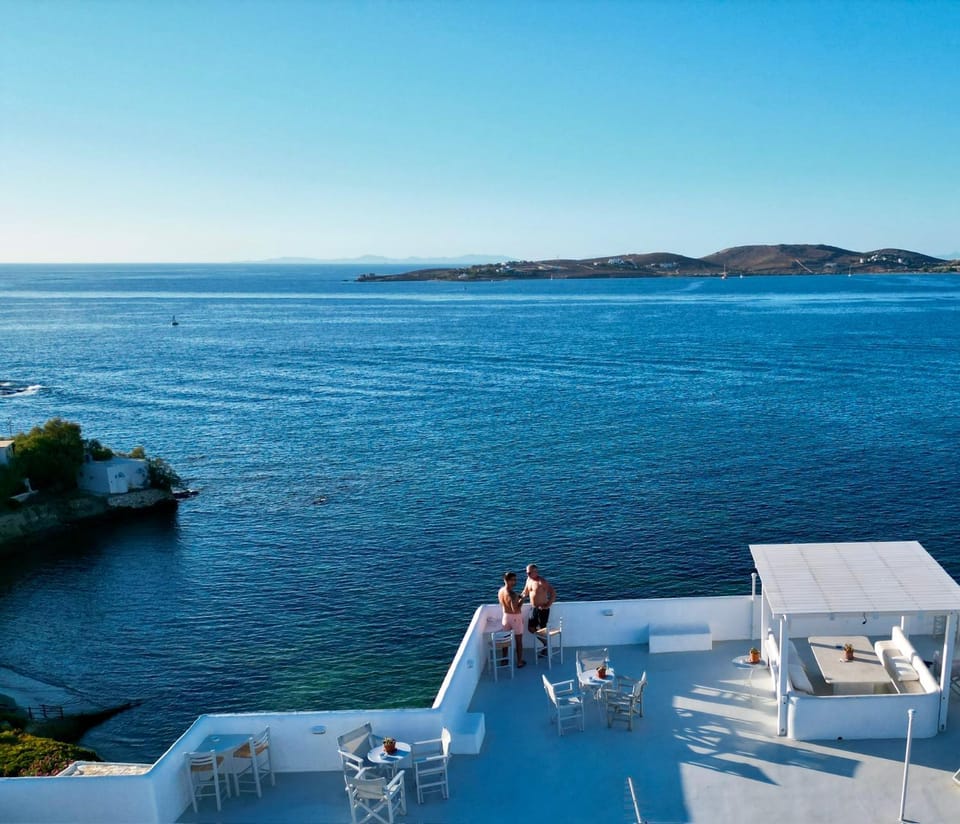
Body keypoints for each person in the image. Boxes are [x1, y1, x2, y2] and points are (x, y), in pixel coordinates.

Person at [521, 563, 556, 656]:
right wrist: (519, 599)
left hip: (542, 609)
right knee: (530, 628)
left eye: (529, 573)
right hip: (533, 608)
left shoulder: (542, 582)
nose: (527, 574)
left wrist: (547, 605)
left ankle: (546, 649)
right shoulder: (529, 579)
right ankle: (546, 644)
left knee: (543, 630)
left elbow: (553, 593)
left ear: (535, 572)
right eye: (527, 573)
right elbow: (525, 592)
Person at [498, 571, 525, 668]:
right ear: (507, 580)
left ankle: (504, 659)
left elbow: (504, 604)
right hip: (515, 618)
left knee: (505, 639)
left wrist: (516, 598)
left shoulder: (501, 591)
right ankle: (519, 662)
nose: (515, 581)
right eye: (513, 580)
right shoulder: (512, 594)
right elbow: (516, 609)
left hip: (505, 616)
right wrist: (522, 600)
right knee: (518, 640)